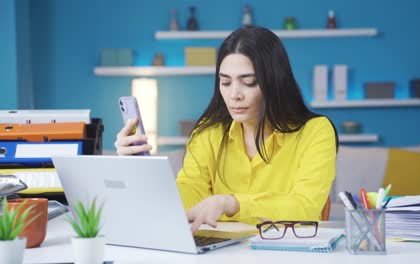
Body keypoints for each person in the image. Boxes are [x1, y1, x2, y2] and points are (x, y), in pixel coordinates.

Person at [115, 25, 338, 232]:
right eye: (225, 82)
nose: (234, 95)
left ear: (274, 82)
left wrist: (231, 203)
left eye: (248, 82)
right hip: (222, 255)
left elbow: (305, 207)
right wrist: (140, 171)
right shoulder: (208, 133)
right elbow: (188, 194)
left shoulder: (316, 132)